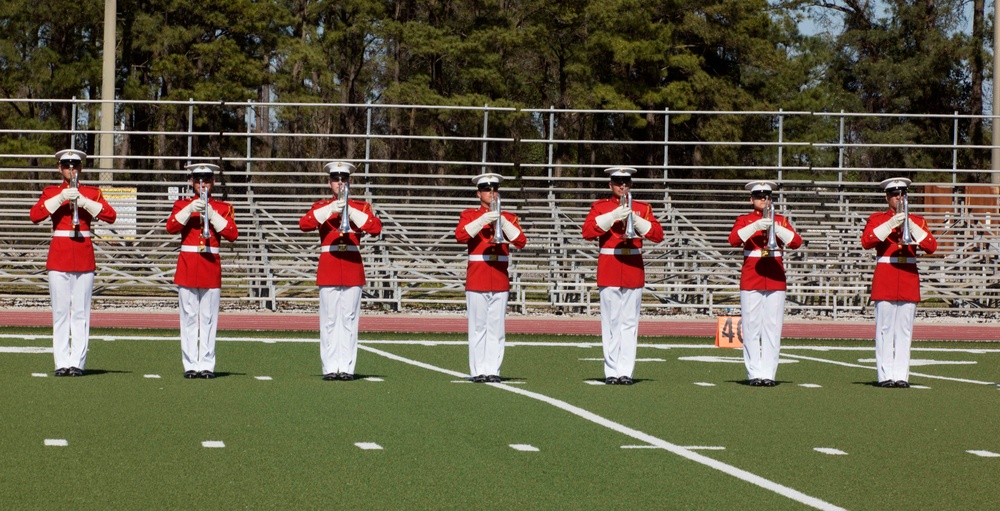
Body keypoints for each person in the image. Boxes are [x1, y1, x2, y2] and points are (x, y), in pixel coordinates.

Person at [29, 149, 117, 377]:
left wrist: (85, 201)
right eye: (67, 166)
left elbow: (110, 215)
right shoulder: (50, 192)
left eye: (75, 166)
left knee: (80, 313)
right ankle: (61, 362)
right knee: (60, 313)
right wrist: (60, 198)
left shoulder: (92, 192)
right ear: (60, 168)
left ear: (81, 168)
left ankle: (77, 362)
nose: (71, 169)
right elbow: (35, 215)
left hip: (84, 255)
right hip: (59, 256)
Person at [299, 161, 382, 381]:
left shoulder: (361, 207)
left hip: (353, 266)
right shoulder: (321, 206)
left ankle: (346, 367)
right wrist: (330, 209)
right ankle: (329, 367)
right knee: (329, 320)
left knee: (349, 319)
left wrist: (349, 210)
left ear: (349, 182)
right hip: (329, 266)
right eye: (336, 180)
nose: (340, 183)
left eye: (343, 179)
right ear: (330, 183)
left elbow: (375, 228)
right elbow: (304, 224)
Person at [581, 167, 664, 385]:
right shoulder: (600, 207)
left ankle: (626, 370)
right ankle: (611, 371)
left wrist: (636, 221)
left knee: (629, 322)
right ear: (610, 185)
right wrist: (612, 216)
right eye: (618, 182)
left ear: (631, 184)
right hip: (610, 266)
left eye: (626, 182)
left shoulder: (642, 208)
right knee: (611, 322)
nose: (622, 186)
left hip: (633, 267)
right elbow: (588, 232)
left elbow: (657, 235)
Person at [861, 177, 937, 388]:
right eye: (895, 194)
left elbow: (931, 246)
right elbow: (866, 241)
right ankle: (885, 375)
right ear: (887, 198)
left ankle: (901, 375)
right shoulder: (877, 219)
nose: (899, 197)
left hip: (908, 277)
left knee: (905, 331)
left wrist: (910, 225)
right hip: (886, 275)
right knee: (884, 330)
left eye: (902, 194)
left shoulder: (917, 220)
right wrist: (892, 223)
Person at [165, 163, 238, 379]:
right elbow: (170, 228)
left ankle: (207, 364)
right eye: (198, 180)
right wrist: (189, 210)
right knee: (188, 317)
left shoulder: (223, 207)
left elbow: (233, 234)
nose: (202, 184)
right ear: (191, 182)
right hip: (188, 264)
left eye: (206, 180)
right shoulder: (181, 205)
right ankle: (190, 365)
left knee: (208, 318)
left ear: (213, 182)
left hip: (210, 264)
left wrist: (212, 215)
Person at [727, 180, 803, 387]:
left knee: (772, 328)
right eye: (760, 196)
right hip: (752, 277)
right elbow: (733, 240)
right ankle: (754, 373)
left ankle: (768, 373)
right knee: (751, 327)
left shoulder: (780, 220)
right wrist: (755, 226)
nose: (764, 200)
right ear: (751, 199)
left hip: (775, 278)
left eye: (767, 197)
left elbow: (796, 242)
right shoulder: (744, 220)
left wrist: (777, 229)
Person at [455, 173, 528, 383]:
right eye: (487, 190)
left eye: (495, 189)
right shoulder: (469, 215)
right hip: (478, 276)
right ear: (479, 193)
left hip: (499, 276)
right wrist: (483, 220)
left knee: (496, 328)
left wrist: (502, 222)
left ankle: (493, 369)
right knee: (478, 327)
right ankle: (478, 370)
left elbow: (521, 241)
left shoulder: (509, 217)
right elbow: (460, 236)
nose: (492, 193)